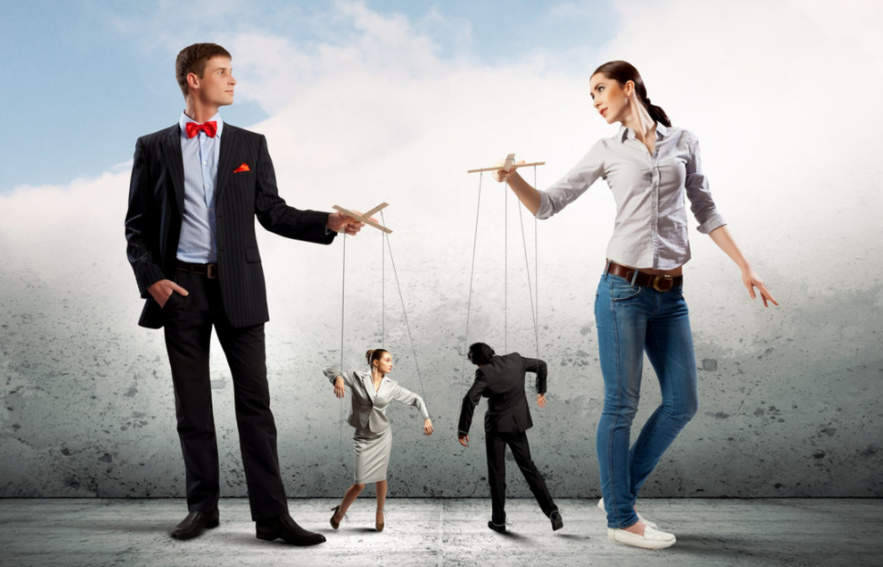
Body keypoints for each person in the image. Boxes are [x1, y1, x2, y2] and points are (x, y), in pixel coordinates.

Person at [492, 60, 777, 549]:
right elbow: (547, 204)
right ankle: (621, 518)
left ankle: (617, 492)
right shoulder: (605, 150)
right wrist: (512, 178)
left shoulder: (684, 140)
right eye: (591, 95)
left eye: (601, 90)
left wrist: (745, 265)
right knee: (621, 404)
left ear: (630, 88)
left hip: (672, 295)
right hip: (621, 291)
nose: (597, 101)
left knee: (682, 403)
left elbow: (705, 208)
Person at [124, 42, 364, 545]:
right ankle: (202, 508)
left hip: (240, 288)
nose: (233, 81)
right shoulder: (153, 146)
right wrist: (152, 278)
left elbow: (272, 212)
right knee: (192, 407)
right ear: (194, 80)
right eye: (222, 72)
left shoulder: (250, 145)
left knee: (255, 405)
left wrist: (328, 222)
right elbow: (137, 226)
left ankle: (272, 516)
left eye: (232, 72)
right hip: (180, 290)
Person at [458, 342, 563, 533]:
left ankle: (498, 521)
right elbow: (542, 365)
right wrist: (541, 391)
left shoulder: (484, 373)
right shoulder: (515, 359)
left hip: (497, 428)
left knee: (497, 473)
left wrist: (463, 430)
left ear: (477, 362)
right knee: (529, 468)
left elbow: (469, 399)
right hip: (518, 425)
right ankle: (552, 511)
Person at [324, 349, 433, 532]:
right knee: (360, 483)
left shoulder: (392, 386)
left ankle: (380, 512)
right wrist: (338, 379)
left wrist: (426, 418)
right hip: (363, 436)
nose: (392, 364)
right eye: (388, 360)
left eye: (392, 361)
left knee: (381, 478)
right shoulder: (357, 377)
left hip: (382, 435)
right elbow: (328, 369)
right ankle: (340, 512)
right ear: (375, 362)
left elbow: (416, 399)